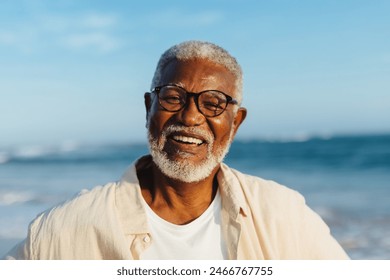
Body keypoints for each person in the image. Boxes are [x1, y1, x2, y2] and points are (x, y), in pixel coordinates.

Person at [4, 40, 349, 260]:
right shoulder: (62, 231)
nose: (190, 116)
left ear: (236, 122)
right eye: (172, 97)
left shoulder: (284, 216)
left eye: (213, 103)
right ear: (148, 108)